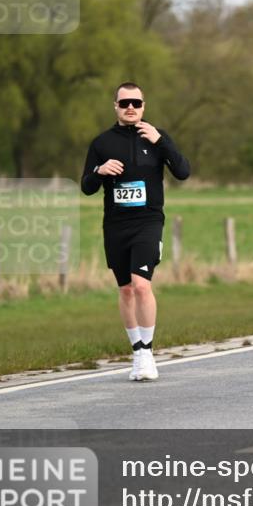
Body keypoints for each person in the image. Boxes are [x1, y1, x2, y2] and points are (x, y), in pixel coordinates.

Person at [81, 82, 191, 381]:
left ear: (144, 106)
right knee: (126, 289)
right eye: (125, 102)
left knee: (142, 285)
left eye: (137, 103)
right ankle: (136, 351)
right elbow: (86, 187)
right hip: (116, 225)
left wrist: (161, 142)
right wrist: (98, 172)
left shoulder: (157, 138)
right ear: (115, 106)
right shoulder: (101, 143)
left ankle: (147, 353)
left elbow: (183, 171)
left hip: (148, 221)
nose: (131, 107)